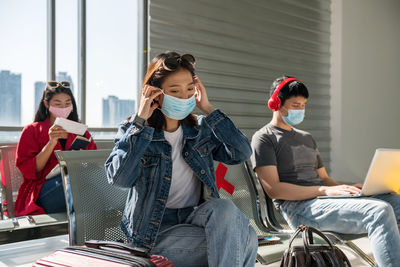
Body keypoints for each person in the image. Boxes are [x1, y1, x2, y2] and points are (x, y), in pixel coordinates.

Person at [105, 52, 258, 267]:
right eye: (175, 91)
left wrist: (209, 109)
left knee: (224, 208)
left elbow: (241, 153)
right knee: (246, 239)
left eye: (189, 90)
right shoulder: (134, 129)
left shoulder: (200, 129)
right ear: (154, 93)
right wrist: (140, 121)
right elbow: (120, 179)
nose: (184, 98)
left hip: (194, 219)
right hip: (153, 234)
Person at [251, 75, 400, 266]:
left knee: (395, 202)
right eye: (296, 104)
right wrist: (323, 190)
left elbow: (325, 180)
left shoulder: (307, 138)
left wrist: (348, 188)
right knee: (379, 211)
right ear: (276, 103)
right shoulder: (264, 138)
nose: (301, 109)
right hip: (299, 209)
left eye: (304, 105)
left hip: (324, 201)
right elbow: (274, 189)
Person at [15, 81, 97, 216]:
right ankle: (86, 232)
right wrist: (51, 143)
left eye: (67, 103)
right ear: (46, 104)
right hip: (42, 192)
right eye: (58, 104)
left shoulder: (79, 131)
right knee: (72, 180)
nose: (63, 108)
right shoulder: (32, 130)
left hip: (77, 187)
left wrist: (83, 159)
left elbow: (93, 163)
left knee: (88, 180)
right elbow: (30, 170)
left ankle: (83, 228)